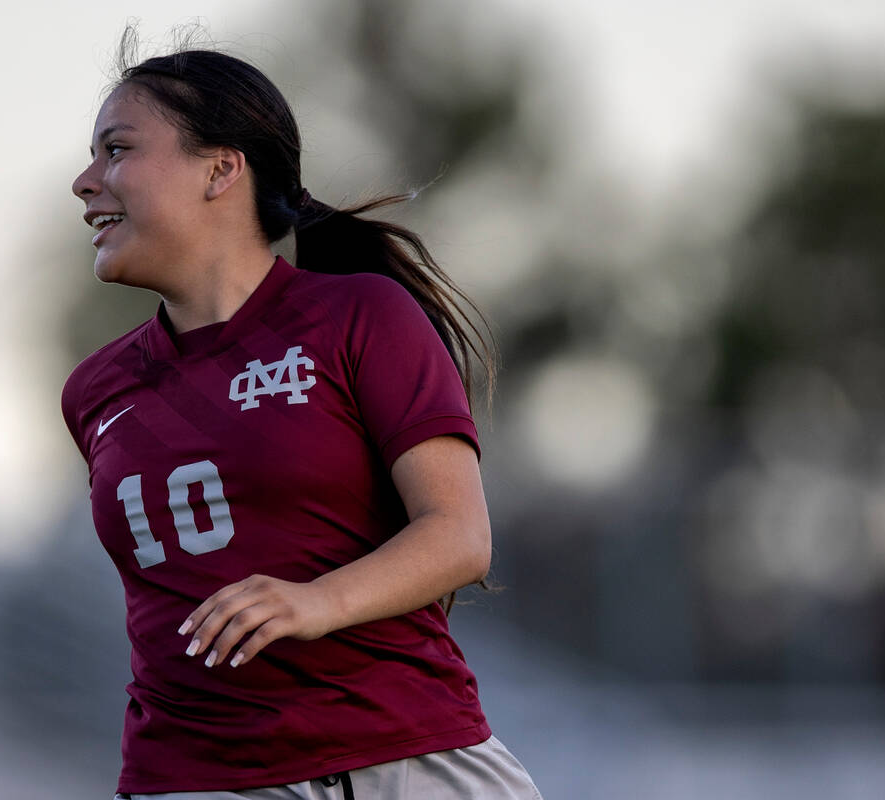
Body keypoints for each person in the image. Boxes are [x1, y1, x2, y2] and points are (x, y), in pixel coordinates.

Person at [62, 37, 543, 800]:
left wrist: (315, 601)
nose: (86, 182)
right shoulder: (96, 390)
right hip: (188, 779)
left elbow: (459, 536)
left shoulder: (358, 316)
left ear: (222, 168)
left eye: (116, 150)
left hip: (400, 764)